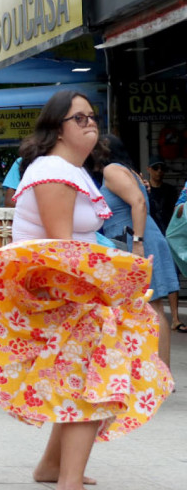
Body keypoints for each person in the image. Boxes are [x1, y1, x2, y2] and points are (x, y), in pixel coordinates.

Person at [0, 90, 172, 490]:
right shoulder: (54, 171)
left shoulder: (64, 169)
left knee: (77, 379)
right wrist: (112, 281)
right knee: (94, 382)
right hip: (61, 295)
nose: (90, 123)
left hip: (67, 294)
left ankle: (52, 468)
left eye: (92, 117)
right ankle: (69, 489)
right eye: (79, 118)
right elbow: (61, 251)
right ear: (58, 127)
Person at [94, 135, 180, 367]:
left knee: (153, 307)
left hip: (137, 240)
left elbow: (139, 203)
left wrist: (138, 242)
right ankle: (157, 374)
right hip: (139, 237)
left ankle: (160, 375)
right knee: (150, 307)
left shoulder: (112, 170)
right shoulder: (127, 171)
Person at [147, 160, 177, 234]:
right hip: (150, 230)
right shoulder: (144, 189)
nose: (159, 171)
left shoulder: (171, 190)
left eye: (162, 168)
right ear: (148, 169)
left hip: (169, 230)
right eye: (155, 168)